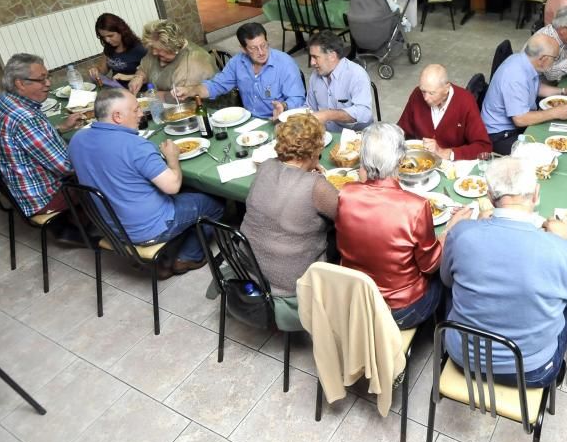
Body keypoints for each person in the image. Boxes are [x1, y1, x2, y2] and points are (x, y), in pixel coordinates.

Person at [440, 157, 567, 387]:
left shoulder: (461, 233)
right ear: (536, 194)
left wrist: (474, 228)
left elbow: (446, 280)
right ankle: (556, 365)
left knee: (460, 284)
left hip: (463, 358)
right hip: (531, 371)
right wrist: (566, 240)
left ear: (490, 197)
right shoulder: (558, 248)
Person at [68, 89, 223, 278]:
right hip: (147, 229)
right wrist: (172, 158)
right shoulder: (135, 146)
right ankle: (188, 257)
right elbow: (173, 186)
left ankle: (159, 261)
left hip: (110, 227)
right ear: (117, 116)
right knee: (214, 203)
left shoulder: (77, 139)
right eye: (136, 110)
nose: (141, 114)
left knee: (182, 193)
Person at [336, 123, 469, 329]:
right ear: (400, 160)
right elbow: (431, 264)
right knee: (451, 276)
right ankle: (442, 339)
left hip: (358, 300)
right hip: (400, 309)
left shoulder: (346, 193)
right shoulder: (415, 206)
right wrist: (451, 227)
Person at [240, 113, 338, 330]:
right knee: (342, 238)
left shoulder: (265, 167)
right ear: (314, 151)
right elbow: (345, 215)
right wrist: (321, 180)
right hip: (290, 281)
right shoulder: (316, 186)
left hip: (249, 265)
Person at [0, 54, 86, 244]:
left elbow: (20, 138)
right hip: (40, 196)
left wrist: (60, 128)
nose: (48, 83)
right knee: (103, 177)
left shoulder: (0, 101)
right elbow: (66, 167)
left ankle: (72, 220)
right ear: (20, 83)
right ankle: (77, 227)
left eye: (48, 77)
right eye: (41, 79)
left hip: (14, 186)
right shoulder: (26, 118)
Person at [175, 22, 305, 120]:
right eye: (254, 48)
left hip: (280, 122)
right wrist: (190, 90)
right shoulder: (237, 63)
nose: (261, 52)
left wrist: (283, 106)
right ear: (243, 49)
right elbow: (216, 86)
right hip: (250, 122)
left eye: (264, 45)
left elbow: (297, 98)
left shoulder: (284, 63)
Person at [480, 34, 567, 154]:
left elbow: (534, 87)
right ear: (543, 59)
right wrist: (554, 112)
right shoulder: (516, 76)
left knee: (559, 136)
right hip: (501, 135)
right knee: (551, 151)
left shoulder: (522, 60)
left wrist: (564, 91)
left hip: (515, 126)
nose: (554, 62)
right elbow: (520, 119)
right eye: (554, 58)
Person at [397, 64, 491, 161]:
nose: (425, 98)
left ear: (446, 88)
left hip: (453, 167)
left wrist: (446, 153)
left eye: (431, 93)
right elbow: (401, 129)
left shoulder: (465, 101)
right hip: (421, 162)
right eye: (423, 91)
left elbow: (484, 147)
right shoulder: (417, 94)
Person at [305, 30, 373, 132]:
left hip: (356, 137)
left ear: (332, 56)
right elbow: (310, 107)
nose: (312, 62)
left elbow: (364, 113)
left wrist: (328, 115)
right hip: (325, 136)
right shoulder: (315, 76)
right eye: (311, 57)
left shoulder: (356, 74)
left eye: (315, 57)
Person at [127, 20, 216, 98]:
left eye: (158, 50)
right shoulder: (156, 50)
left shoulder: (193, 62)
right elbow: (145, 67)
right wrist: (139, 77)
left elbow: (183, 98)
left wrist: (150, 96)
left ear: (173, 47)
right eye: (152, 48)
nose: (154, 53)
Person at [87, 13, 146, 86]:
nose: (107, 40)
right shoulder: (109, 47)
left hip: (136, 90)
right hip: (117, 88)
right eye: (103, 37)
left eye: (110, 35)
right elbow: (103, 69)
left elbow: (151, 76)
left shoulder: (139, 49)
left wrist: (127, 77)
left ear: (121, 31)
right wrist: (96, 70)